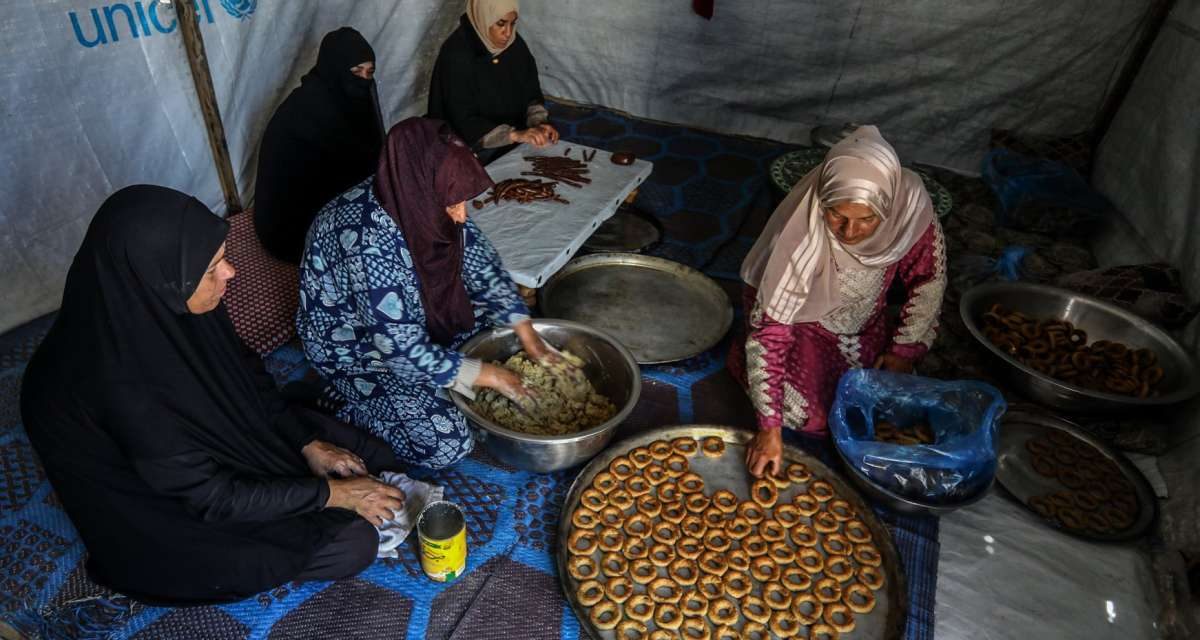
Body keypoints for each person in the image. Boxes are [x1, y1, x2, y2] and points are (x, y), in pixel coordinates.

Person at [20, 186, 407, 606]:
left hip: (189, 447)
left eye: (222, 257)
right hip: (159, 506)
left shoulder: (164, 301)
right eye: (213, 268)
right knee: (350, 542)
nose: (230, 274)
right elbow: (212, 497)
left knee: (362, 453)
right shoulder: (121, 387)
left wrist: (307, 443)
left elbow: (245, 374)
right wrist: (336, 496)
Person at [298, 118, 561, 469]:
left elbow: (479, 261)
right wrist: (493, 375)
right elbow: (400, 350)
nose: (461, 215)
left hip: (411, 322)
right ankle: (341, 408)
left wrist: (527, 334)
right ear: (422, 190)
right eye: (453, 204)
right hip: (358, 350)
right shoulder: (365, 241)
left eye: (463, 201)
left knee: (496, 339)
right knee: (447, 444)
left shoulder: (418, 197)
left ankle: (452, 378)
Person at [736, 126, 947, 477]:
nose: (850, 233)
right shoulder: (804, 231)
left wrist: (904, 350)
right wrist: (769, 429)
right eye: (838, 215)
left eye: (867, 219)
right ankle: (747, 369)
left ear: (889, 205)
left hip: (864, 322)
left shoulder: (908, 205)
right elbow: (772, 333)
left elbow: (929, 280)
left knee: (880, 403)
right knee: (808, 413)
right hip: (799, 321)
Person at [254, 27, 384, 264]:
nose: (364, 80)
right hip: (289, 231)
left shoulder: (346, 101)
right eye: (356, 72)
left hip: (322, 200)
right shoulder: (306, 111)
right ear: (333, 68)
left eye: (369, 72)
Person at [427, 0, 558, 160]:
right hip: (468, 143)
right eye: (501, 24)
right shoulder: (456, 54)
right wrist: (513, 135)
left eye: (512, 23)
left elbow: (531, 92)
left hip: (516, 132)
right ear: (484, 17)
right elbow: (462, 119)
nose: (508, 33)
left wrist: (539, 124)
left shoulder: (514, 45)